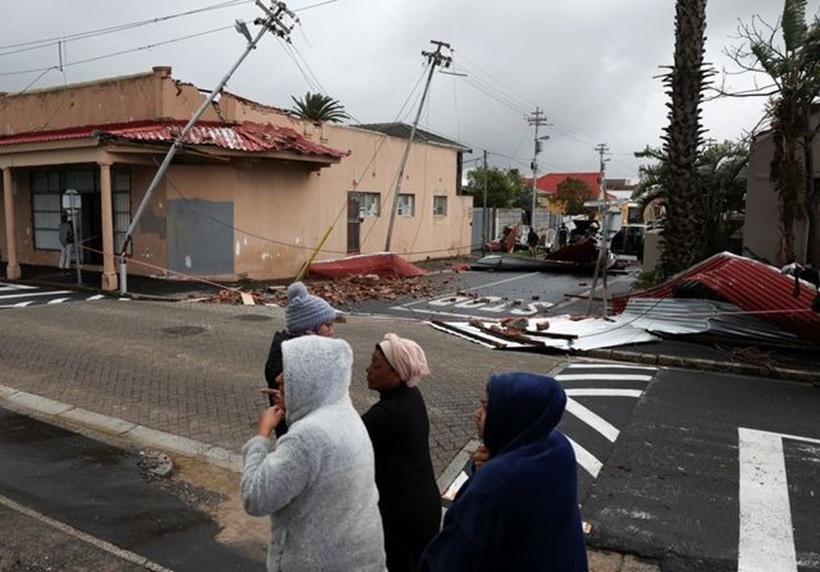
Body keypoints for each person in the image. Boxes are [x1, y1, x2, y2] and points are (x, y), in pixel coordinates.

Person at [241, 335, 387, 572]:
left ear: (311, 379)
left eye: (289, 372)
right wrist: (295, 407)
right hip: (359, 559)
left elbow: (255, 497)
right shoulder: (344, 412)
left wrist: (261, 435)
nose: (278, 378)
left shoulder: (306, 438)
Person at [419, 372, 588, 572]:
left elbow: (452, 556)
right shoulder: (558, 446)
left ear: (511, 414)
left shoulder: (496, 480)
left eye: (486, 407)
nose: (477, 413)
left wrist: (491, 469)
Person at [361, 334, 440, 572]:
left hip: (402, 514)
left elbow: (344, 440)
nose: (368, 369)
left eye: (376, 365)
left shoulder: (387, 414)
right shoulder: (410, 397)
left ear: (396, 375)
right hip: (422, 503)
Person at [263, 281, 338, 437]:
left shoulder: (302, 352)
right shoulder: (289, 357)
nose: (332, 331)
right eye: (328, 325)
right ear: (309, 329)